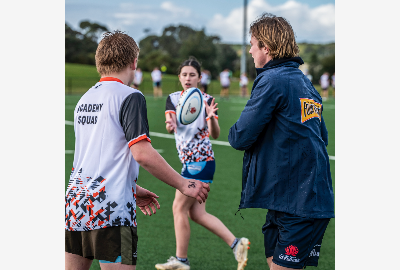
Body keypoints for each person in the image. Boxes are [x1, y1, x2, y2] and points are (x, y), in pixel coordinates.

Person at [65, 31, 210, 270]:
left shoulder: (84, 99)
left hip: (76, 203)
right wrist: (184, 184)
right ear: (134, 62)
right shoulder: (130, 96)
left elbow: (96, 157)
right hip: (109, 207)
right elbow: (142, 153)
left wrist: (132, 187)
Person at [228, 13, 334, 270]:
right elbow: (323, 137)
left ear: (267, 47)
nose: (250, 50)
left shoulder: (271, 79)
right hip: (298, 199)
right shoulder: (305, 83)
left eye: (253, 44)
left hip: (298, 203)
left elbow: (240, 137)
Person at [155, 57, 250, 270]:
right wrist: (170, 124)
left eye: (192, 75)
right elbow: (170, 123)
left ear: (200, 77)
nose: (188, 78)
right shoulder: (172, 99)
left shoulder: (207, 100)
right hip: (190, 163)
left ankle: (181, 261)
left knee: (178, 208)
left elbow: (214, 134)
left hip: (199, 161)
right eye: (184, 74)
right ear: (179, 77)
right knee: (197, 214)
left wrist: (211, 117)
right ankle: (237, 245)